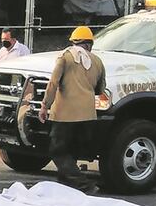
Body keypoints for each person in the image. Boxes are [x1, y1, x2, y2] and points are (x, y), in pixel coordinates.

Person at [38, 26, 106, 193]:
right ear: (89, 44)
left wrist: (45, 106)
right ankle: (66, 186)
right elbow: (100, 89)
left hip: (65, 114)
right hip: (88, 115)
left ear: (73, 41)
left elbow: (53, 83)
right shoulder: (97, 61)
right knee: (71, 151)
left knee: (57, 150)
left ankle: (84, 185)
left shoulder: (65, 57)